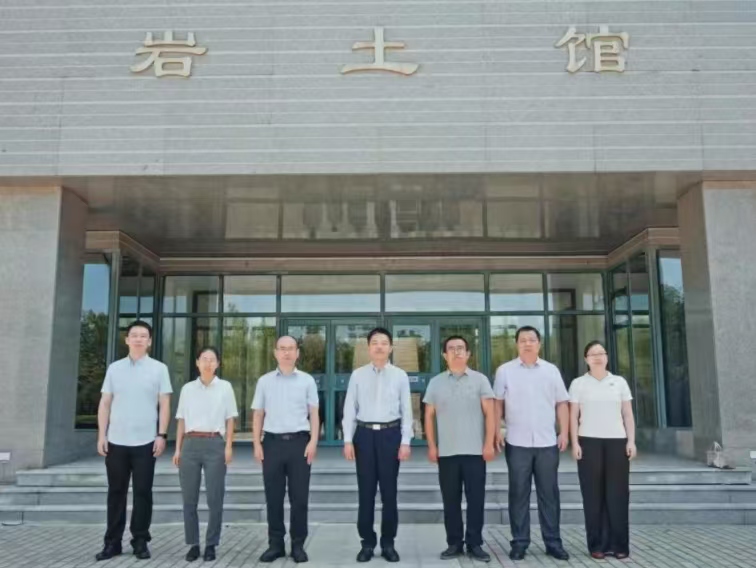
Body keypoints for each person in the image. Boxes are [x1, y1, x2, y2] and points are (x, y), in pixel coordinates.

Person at [95, 320, 172, 562]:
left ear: (149, 341)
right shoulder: (114, 369)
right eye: (134, 335)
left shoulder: (159, 369)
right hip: (116, 442)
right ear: (127, 340)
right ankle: (112, 542)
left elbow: (165, 404)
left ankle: (140, 541)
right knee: (116, 492)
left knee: (143, 493)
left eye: (143, 335)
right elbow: (105, 403)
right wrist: (102, 435)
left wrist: (161, 435)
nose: (139, 339)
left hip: (146, 442)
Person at [493, 326, 570, 562]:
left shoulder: (551, 370)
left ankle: (553, 542)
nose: (527, 343)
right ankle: (519, 542)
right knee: (518, 494)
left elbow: (562, 403)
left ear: (539, 343)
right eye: (523, 340)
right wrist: (497, 430)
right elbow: (497, 404)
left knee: (549, 494)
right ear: (516, 344)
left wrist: (564, 432)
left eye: (532, 339)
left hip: (547, 442)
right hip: (517, 442)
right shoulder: (505, 371)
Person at [342, 327, 413, 564]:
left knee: (389, 494)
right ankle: (367, 543)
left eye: (384, 342)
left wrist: (405, 441)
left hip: (390, 435)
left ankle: (388, 543)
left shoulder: (400, 376)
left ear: (391, 347)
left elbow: (407, 410)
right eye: (375, 342)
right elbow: (349, 409)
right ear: (368, 347)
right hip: (364, 436)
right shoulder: (357, 375)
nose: (379, 346)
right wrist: (348, 439)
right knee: (366, 493)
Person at [424, 336, 497, 563]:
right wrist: (432, 445)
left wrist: (488, 443)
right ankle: (454, 543)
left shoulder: (480, 380)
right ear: (444, 355)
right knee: (450, 501)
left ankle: (475, 543)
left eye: (460, 348)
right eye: (451, 349)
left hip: (475, 452)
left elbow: (490, 414)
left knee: (476, 500)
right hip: (447, 453)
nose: (456, 352)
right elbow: (428, 416)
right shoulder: (435, 382)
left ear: (468, 354)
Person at [252, 336, 319, 564]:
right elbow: (258, 414)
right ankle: (276, 544)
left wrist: (313, 441)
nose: (286, 352)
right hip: (272, 443)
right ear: (275, 353)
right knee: (274, 497)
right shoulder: (264, 381)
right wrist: (256, 443)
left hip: (300, 443)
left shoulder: (307, 381)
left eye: (291, 348)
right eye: (282, 349)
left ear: (297, 353)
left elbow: (314, 413)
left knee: (299, 498)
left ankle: (298, 545)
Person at [569, 340, 636, 560]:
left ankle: (619, 545)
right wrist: (575, 443)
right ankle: (596, 545)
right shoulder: (578, 383)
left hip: (617, 441)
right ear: (586, 359)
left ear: (607, 357)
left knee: (618, 494)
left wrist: (631, 441)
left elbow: (627, 415)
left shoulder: (619, 382)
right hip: (588, 442)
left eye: (601, 353)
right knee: (592, 496)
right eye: (592, 354)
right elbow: (573, 417)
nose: (597, 357)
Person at [173, 347, 238, 562]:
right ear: (197, 362)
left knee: (214, 498)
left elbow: (230, 419)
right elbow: (181, 420)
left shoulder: (225, 387)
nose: (208, 363)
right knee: (189, 499)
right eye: (204, 359)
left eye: (212, 359)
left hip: (215, 444)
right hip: (190, 444)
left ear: (218, 363)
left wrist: (228, 446)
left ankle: (211, 544)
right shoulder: (187, 389)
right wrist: (178, 449)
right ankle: (193, 544)